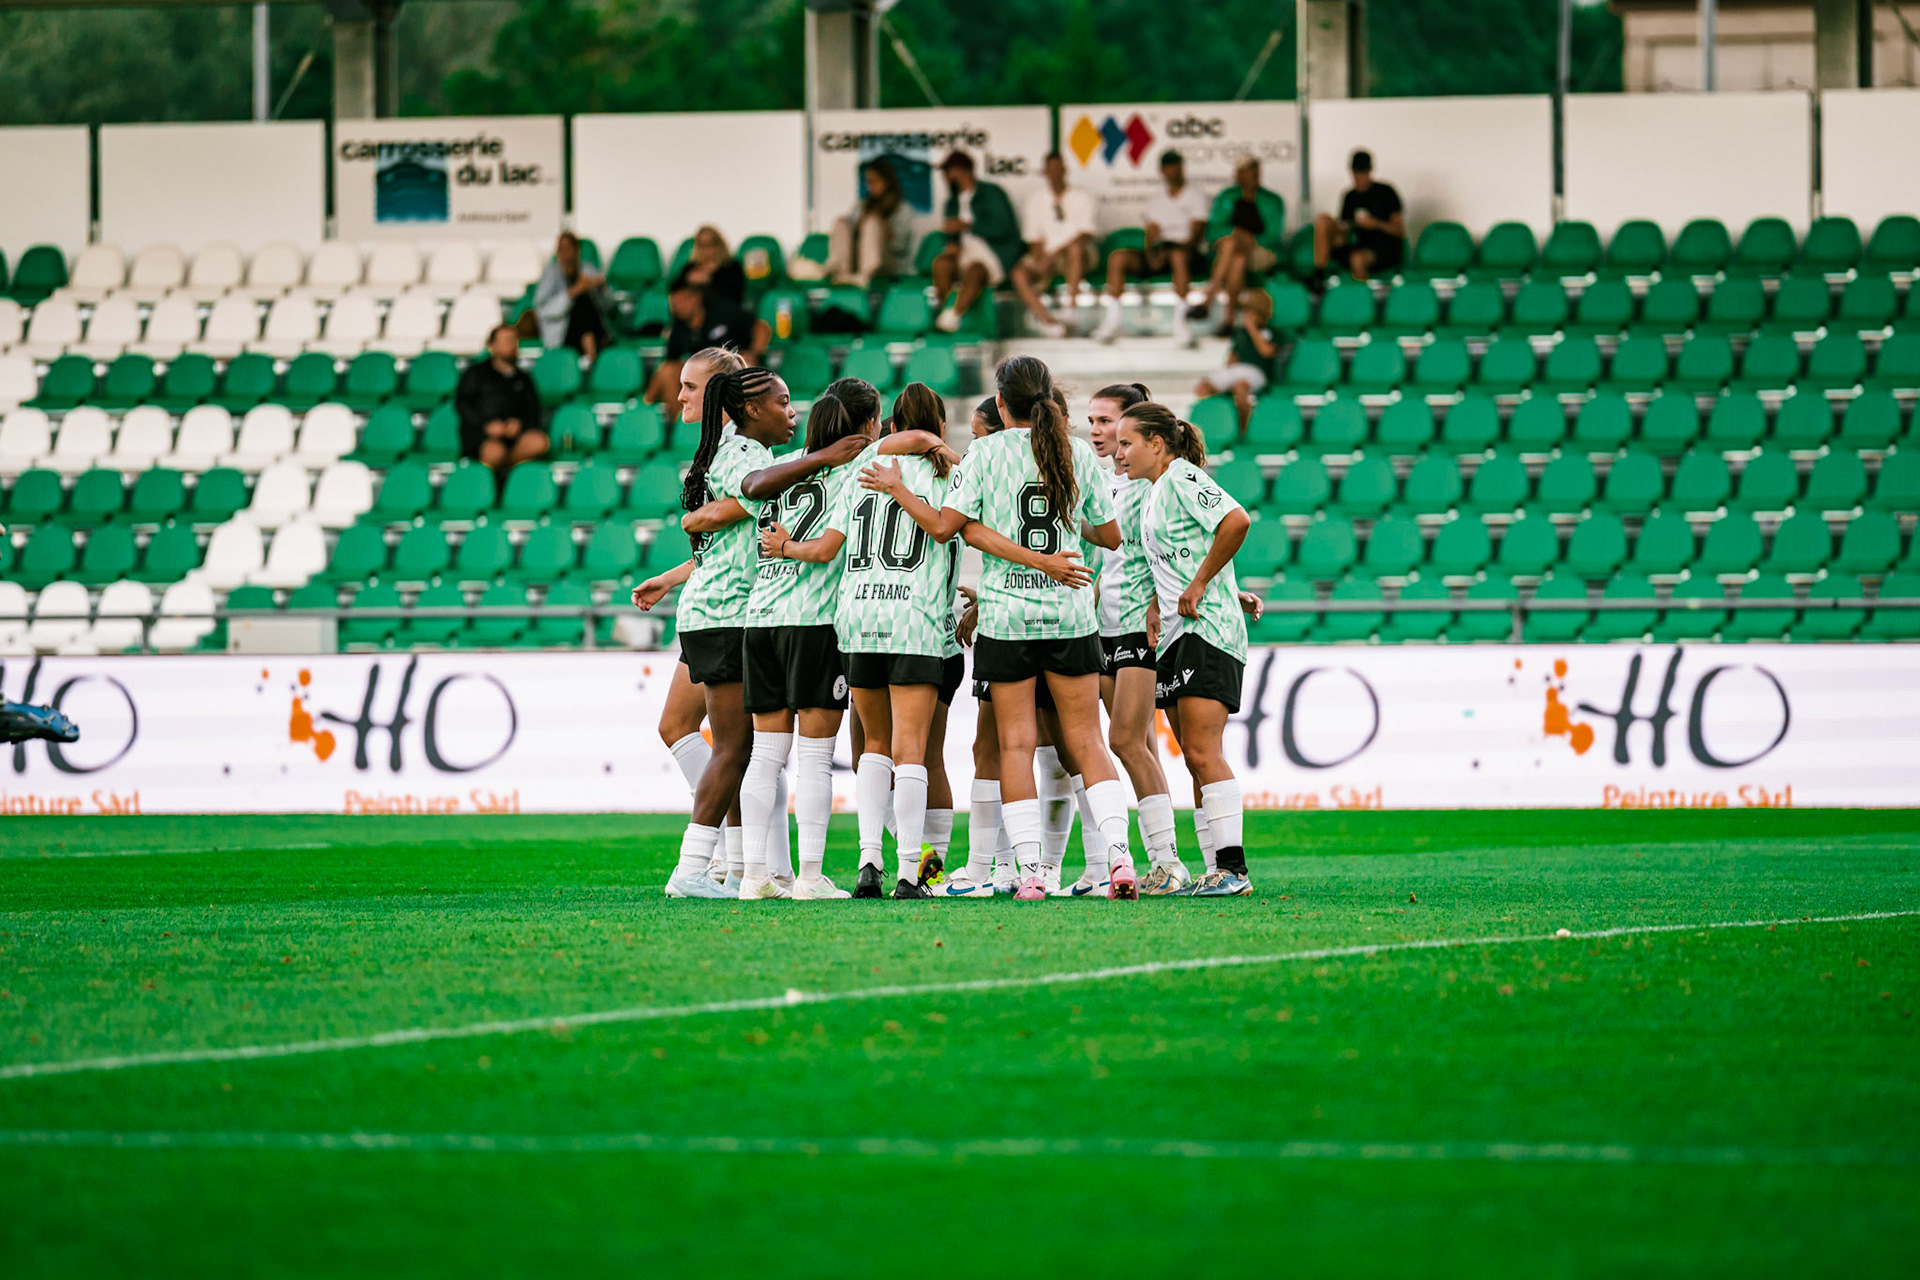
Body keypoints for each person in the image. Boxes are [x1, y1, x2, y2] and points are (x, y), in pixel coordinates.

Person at [865, 355, 1141, 901]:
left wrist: (898, 489)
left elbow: (952, 528)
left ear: (1001, 401)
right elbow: (1109, 536)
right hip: (1069, 613)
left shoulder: (985, 453)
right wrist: (1060, 536)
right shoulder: (1075, 451)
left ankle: (1032, 872)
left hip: (1007, 617)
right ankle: (1118, 856)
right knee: (1087, 741)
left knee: (1014, 746)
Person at [761, 383, 973, 899]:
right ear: (938, 428)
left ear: (891, 427)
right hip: (917, 619)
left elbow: (831, 544)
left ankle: (868, 864)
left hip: (858, 618)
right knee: (914, 751)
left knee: (872, 747)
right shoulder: (953, 474)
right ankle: (912, 872)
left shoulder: (858, 472)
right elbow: (960, 532)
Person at [630, 346, 767, 886]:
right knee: (718, 742)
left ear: (718, 395)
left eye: (690, 387)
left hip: (725, 607)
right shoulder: (718, 455)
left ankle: (727, 860)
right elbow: (723, 538)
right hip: (716, 606)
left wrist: (707, 513)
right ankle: (722, 858)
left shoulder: (739, 455)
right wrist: (670, 575)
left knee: (728, 745)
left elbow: (750, 502)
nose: (679, 395)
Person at [660, 366, 799, 899]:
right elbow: (751, 493)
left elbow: (713, 521)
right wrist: (825, 458)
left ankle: (744, 867)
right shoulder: (746, 454)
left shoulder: (726, 450)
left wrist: (700, 520)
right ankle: (694, 868)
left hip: (714, 610)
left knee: (748, 747)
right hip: (728, 613)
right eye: (783, 402)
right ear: (751, 408)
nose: (792, 412)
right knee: (738, 749)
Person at [1116, 402, 1262, 897]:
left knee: (1203, 751)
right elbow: (1185, 550)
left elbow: (1236, 521)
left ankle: (1233, 869)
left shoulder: (1180, 477)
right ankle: (1214, 868)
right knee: (1194, 756)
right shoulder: (1158, 491)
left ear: (1156, 444)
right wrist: (1163, 601)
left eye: (1126, 442)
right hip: (1179, 631)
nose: (1119, 453)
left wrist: (1202, 585)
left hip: (1208, 630)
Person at [1086, 383, 1190, 894]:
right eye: (1094, 422)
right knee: (1138, 744)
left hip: (1139, 626)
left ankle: (1171, 861)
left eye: (1108, 422)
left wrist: (1167, 600)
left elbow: (1181, 546)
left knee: (1125, 740)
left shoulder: (1155, 482)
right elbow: (1115, 557)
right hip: (1105, 624)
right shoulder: (1114, 482)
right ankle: (1162, 862)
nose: (1099, 432)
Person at [1094, 150, 1211, 346]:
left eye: (1177, 166)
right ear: (1162, 171)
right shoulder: (1156, 198)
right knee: (1118, 257)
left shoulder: (1195, 195)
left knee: (1178, 256)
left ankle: (1181, 322)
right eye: (1170, 167)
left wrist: (1171, 251)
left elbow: (1196, 236)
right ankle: (1112, 321)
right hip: (1160, 251)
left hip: (1187, 252)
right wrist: (1151, 255)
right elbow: (1151, 233)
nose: (1174, 171)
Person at [930, 150, 1023, 335]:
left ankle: (954, 316)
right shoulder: (952, 203)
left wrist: (967, 226)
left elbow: (1003, 228)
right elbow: (952, 237)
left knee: (976, 269)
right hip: (964, 254)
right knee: (941, 264)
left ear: (963, 171)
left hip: (994, 253)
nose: (946, 177)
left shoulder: (992, 193)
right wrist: (951, 246)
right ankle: (944, 312)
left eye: (949, 171)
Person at [643, 272, 770, 408]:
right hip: (703, 374)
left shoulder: (722, 310)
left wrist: (754, 352)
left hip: (733, 367)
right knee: (668, 372)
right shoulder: (678, 327)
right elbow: (669, 364)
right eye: (674, 304)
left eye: (683, 301)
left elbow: (762, 328)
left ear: (696, 298)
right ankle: (680, 425)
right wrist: (647, 400)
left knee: (746, 367)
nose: (678, 307)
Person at [1195, 156, 1287, 335]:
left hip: (1261, 251)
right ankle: (1229, 321)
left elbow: (1273, 236)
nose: (1252, 174)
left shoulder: (1273, 200)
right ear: (1238, 174)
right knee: (1236, 255)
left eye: (1255, 170)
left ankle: (1208, 299)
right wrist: (1236, 234)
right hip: (1232, 252)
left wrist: (1250, 239)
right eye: (1247, 171)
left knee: (1233, 247)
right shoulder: (1227, 197)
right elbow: (1213, 232)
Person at [1012, 152, 1099, 339]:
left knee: (1074, 249)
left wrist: (1055, 253)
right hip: (1048, 255)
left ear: (1065, 170)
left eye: (1058, 169)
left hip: (1078, 254)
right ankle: (1049, 322)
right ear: (1045, 172)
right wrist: (1040, 260)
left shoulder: (1081, 197)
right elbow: (1033, 238)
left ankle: (1071, 308)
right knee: (1019, 274)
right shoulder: (1035, 200)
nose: (1055, 173)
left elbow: (1085, 235)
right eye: (1050, 169)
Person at [454, 324, 548, 483]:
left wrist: (520, 425)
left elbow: (534, 412)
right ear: (493, 346)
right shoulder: (475, 374)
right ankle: (496, 480)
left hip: (515, 439)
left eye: (514, 341)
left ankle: (505, 470)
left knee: (540, 442)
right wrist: (487, 426)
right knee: (495, 452)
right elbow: (463, 405)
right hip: (483, 437)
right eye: (507, 341)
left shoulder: (523, 379)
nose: (512, 346)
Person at [1314, 149, 1405, 286]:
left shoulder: (1386, 192)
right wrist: (1340, 231)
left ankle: (1361, 302)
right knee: (1323, 220)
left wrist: (1375, 224)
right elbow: (1344, 228)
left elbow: (1399, 231)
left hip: (1384, 248)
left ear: (1370, 172)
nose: (1359, 178)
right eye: (1356, 173)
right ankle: (1319, 274)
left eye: (1362, 173)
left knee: (1357, 259)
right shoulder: (1350, 196)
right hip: (1358, 243)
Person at [819, 158, 917, 287]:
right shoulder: (862, 206)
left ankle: (867, 274)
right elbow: (851, 234)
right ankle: (839, 271)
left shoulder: (903, 209)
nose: (871, 186)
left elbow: (900, 246)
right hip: (857, 258)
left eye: (875, 181)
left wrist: (883, 231)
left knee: (872, 223)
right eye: (868, 182)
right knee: (841, 222)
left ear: (887, 181)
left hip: (889, 264)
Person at [1194, 288, 1280, 434]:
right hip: (1237, 369)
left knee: (1240, 387)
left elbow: (1267, 351)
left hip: (1257, 372)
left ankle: (1243, 430)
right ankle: (1217, 426)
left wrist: (1252, 328)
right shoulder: (1240, 333)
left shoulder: (1270, 332)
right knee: (1203, 388)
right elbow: (1232, 360)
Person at [530, 231, 612, 359]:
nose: (566, 253)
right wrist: (572, 293)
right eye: (562, 249)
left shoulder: (587, 269)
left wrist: (601, 288)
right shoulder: (550, 274)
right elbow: (542, 309)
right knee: (581, 302)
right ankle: (591, 355)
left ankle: (591, 353)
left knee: (585, 302)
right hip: (562, 333)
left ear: (577, 251)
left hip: (594, 327)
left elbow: (609, 306)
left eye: (570, 248)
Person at [680, 224, 746, 305]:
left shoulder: (731, 267)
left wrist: (709, 280)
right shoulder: (691, 267)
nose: (705, 251)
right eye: (701, 245)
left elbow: (734, 294)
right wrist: (689, 280)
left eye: (709, 245)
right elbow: (674, 289)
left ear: (719, 246)